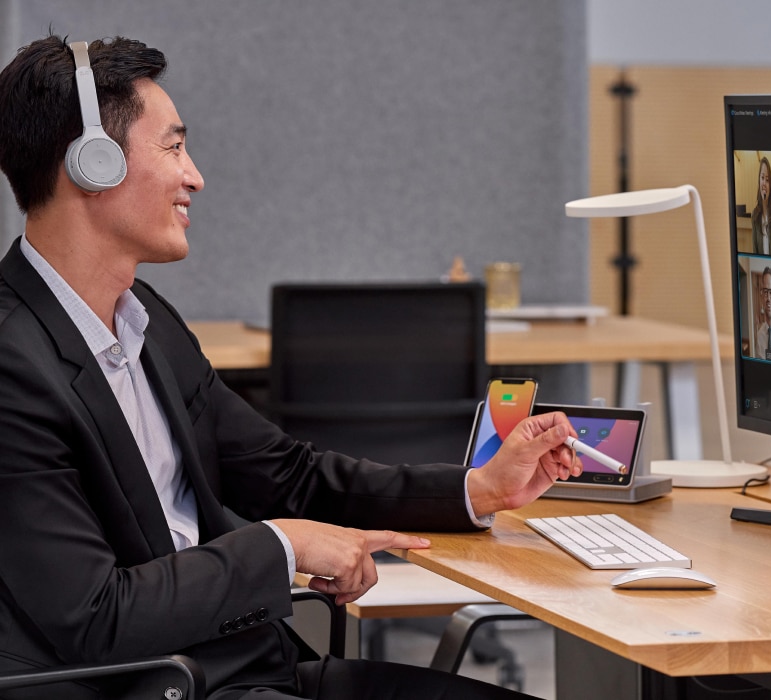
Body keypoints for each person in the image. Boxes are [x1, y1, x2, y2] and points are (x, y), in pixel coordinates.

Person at [0, 35, 584, 700]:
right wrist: (281, 547)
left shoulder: (144, 321)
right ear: (93, 164)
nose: (194, 176)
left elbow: (287, 473)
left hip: (252, 667)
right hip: (165, 686)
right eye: (172, 147)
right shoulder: (13, 365)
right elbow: (95, 618)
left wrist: (476, 491)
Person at [751, 156, 771, 256]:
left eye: (767, 180)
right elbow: (754, 251)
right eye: (762, 178)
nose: (764, 183)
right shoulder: (754, 215)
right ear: (759, 181)